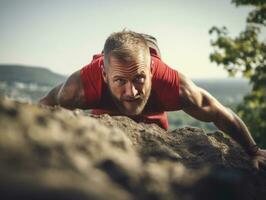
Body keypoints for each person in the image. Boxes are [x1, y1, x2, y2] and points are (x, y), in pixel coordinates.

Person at [39, 30, 266, 170]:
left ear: (151, 69)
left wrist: (253, 150)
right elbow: (46, 103)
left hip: (153, 123)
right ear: (105, 75)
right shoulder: (78, 88)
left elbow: (218, 111)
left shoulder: (172, 85)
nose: (132, 91)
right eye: (120, 80)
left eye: (139, 78)